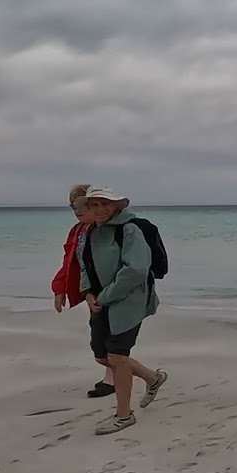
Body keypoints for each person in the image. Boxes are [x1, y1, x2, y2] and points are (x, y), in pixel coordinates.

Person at [77, 186, 169, 435]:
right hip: (101, 303)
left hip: (129, 302)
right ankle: (153, 378)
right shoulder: (91, 231)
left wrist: (105, 296)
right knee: (103, 357)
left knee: (117, 358)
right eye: (94, 205)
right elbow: (84, 264)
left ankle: (124, 416)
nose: (100, 209)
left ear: (117, 205)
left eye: (105, 204)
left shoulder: (130, 230)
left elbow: (136, 270)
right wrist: (87, 292)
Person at [52, 184, 116, 398]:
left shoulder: (108, 230)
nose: (77, 211)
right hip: (91, 292)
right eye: (73, 206)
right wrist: (60, 288)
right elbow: (70, 261)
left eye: (82, 205)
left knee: (112, 342)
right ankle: (120, 376)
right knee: (100, 346)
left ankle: (132, 377)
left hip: (112, 292)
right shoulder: (77, 231)